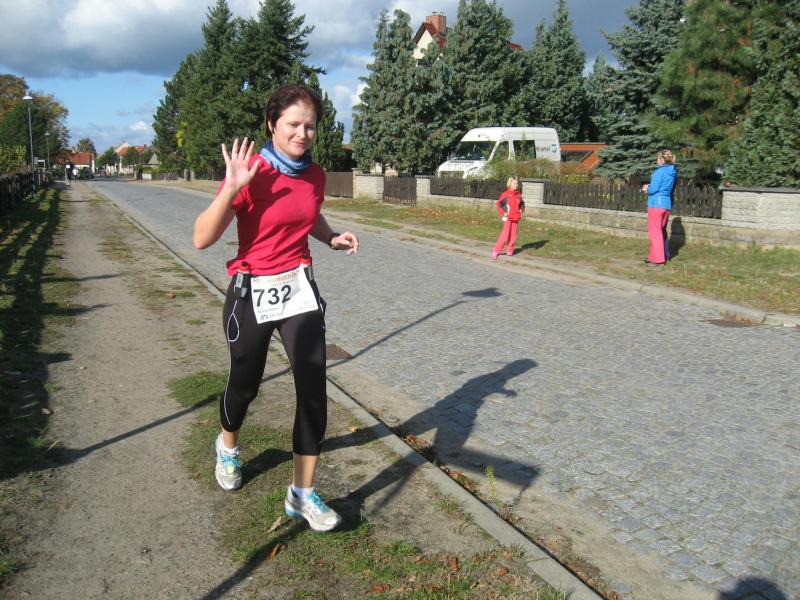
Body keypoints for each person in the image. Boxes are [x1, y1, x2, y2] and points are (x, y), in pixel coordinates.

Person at [193, 85, 359, 532]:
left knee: (313, 388)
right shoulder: (253, 172)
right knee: (245, 385)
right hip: (252, 290)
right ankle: (228, 447)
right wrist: (231, 188)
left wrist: (330, 237)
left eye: (310, 126)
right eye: (293, 124)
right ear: (272, 124)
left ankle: (301, 494)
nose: (303, 134)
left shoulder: (315, 175)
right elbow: (201, 238)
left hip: (298, 289)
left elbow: (308, 213)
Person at [641, 149, 677, 265]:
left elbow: (654, 189)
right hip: (666, 204)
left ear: (662, 159)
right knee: (660, 232)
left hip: (656, 204)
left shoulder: (659, 172)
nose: (657, 160)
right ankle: (654, 256)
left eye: (657, 158)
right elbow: (665, 187)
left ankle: (658, 259)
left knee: (655, 233)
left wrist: (646, 188)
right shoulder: (673, 171)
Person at [491, 176, 524, 260]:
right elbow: (499, 204)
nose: (516, 185)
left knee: (513, 235)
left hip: (515, 217)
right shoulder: (505, 194)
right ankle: (496, 250)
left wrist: (521, 210)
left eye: (517, 184)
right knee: (505, 235)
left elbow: (522, 204)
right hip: (507, 217)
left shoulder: (518, 195)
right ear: (510, 184)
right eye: (514, 183)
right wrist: (503, 213)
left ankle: (510, 250)